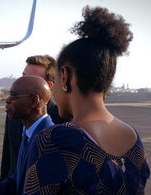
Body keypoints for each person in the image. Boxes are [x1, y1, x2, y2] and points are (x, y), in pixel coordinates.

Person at [24, 6, 150, 194]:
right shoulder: (134, 138)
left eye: (56, 81)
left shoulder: (53, 140)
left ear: (65, 76)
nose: (54, 93)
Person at [0, 75, 54, 195]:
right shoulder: (28, 134)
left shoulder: (48, 141)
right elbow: (17, 183)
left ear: (34, 101)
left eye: (14, 96)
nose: (7, 100)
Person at [0, 55, 69, 181]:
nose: (21, 82)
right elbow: (7, 158)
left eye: (30, 79)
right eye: (23, 76)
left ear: (48, 86)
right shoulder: (13, 114)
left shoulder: (63, 120)